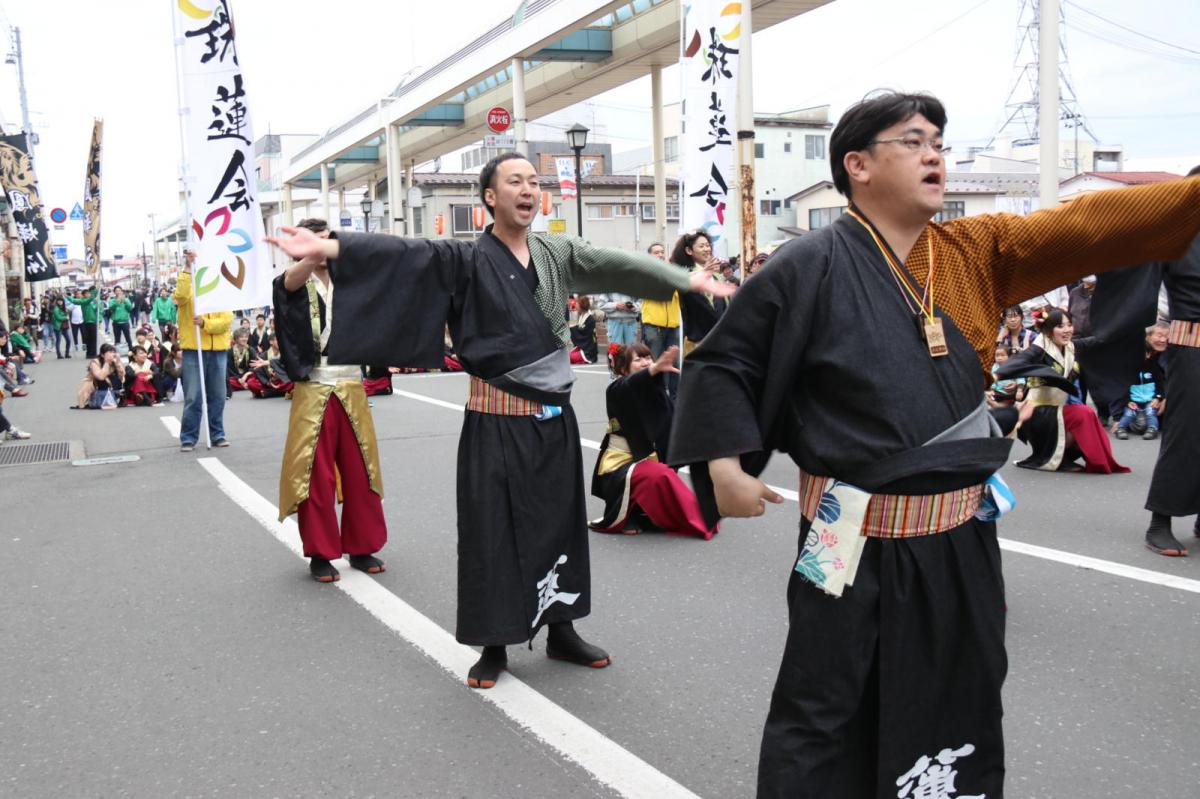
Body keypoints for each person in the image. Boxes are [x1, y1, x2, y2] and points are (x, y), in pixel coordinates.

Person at [666, 91, 1200, 798]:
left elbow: (1085, 226)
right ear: (857, 165)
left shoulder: (978, 251)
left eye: (940, 144)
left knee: (958, 697)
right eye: (913, 142)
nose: (935, 157)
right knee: (825, 709)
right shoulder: (807, 264)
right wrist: (723, 464)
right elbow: (726, 361)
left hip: (958, 536)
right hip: (848, 535)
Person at [268, 153, 730, 690]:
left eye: (534, 181)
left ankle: (562, 629)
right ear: (490, 197)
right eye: (515, 181)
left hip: (554, 419)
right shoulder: (465, 258)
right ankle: (494, 644)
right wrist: (328, 248)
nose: (528, 189)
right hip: (495, 420)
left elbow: (618, 264)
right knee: (493, 532)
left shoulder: (556, 252)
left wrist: (682, 278)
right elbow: (404, 254)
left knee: (559, 525)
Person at [272, 217, 388, 584]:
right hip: (314, 386)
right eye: (314, 240)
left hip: (351, 384)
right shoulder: (294, 279)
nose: (322, 247)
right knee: (315, 475)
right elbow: (287, 285)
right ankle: (321, 553)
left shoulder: (349, 280)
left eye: (327, 240)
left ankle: (362, 546)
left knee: (361, 470)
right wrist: (310, 254)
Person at [589, 343, 713, 539]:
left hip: (647, 457)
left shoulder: (655, 390)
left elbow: (671, 425)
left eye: (648, 358)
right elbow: (629, 384)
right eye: (638, 359)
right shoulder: (616, 389)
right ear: (623, 369)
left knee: (670, 465)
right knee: (658, 474)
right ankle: (627, 515)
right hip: (620, 465)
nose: (646, 362)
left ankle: (648, 512)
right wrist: (653, 369)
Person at [1143, 166, 1200, 556]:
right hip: (1190, 347)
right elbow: (1138, 286)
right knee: (1186, 433)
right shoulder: (1174, 234)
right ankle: (1159, 523)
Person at [998, 308, 1129, 473]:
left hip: (1057, 408)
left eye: (1069, 325)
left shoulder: (1071, 347)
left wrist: (1125, 325)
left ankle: (1066, 458)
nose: (1067, 330)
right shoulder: (1038, 349)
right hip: (1036, 411)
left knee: (1086, 415)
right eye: (1060, 326)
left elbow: (1098, 340)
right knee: (1083, 413)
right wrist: (997, 376)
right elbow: (1018, 361)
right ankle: (1058, 458)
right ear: (1048, 329)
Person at [175, 251, 233, 452]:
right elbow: (180, 297)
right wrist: (187, 267)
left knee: (218, 395)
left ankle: (217, 434)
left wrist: (205, 323)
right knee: (193, 396)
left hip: (218, 350)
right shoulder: (188, 288)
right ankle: (188, 437)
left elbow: (226, 321)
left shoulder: (220, 290)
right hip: (194, 349)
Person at [672, 230, 729, 355]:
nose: (707, 249)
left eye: (708, 245)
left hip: (720, 341)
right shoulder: (683, 275)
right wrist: (703, 272)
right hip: (696, 343)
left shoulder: (716, 277)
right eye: (701, 246)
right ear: (689, 251)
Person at [1114, 322, 1167, 441]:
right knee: (1131, 416)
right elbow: (1120, 388)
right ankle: (1121, 428)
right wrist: (1126, 402)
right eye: (1159, 335)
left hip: (1151, 400)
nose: (1163, 340)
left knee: (1151, 413)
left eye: (1166, 336)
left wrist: (1159, 398)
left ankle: (1152, 428)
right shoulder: (1128, 368)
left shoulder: (1155, 367)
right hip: (1134, 400)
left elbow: (1160, 385)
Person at [76, 343, 123, 410]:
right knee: (104, 380)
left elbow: (122, 377)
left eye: (113, 352)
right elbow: (100, 377)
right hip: (95, 386)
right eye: (110, 352)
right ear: (102, 355)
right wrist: (107, 363)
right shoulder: (95, 362)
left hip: (108, 386)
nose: (112, 354)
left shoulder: (114, 361)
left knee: (116, 379)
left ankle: (115, 397)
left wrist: (118, 364)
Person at [66, 286, 100, 359]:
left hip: (93, 322)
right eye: (87, 294)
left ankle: (93, 353)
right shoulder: (84, 301)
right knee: (88, 339)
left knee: (93, 339)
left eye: (89, 293)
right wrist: (96, 290)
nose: (88, 295)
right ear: (84, 295)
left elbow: (96, 310)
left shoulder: (91, 302)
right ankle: (89, 353)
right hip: (87, 322)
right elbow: (75, 301)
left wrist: (97, 304)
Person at [569, 295, 598, 364]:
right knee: (566, 357)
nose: (576, 306)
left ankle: (584, 358)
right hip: (584, 347)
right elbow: (581, 331)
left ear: (582, 306)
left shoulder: (590, 319)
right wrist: (573, 328)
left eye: (577, 305)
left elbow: (584, 336)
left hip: (588, 351)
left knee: (569, 357)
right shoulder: (582, 317)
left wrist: (572, 329)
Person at [227, 329, 255, 393]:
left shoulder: (251, 350)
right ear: (236, 339)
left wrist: (246, 375)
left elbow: (254, 365)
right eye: (242, 337)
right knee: (228, 381)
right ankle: (246, 386)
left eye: (246, 337)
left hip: (247, 376)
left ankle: (245, 385)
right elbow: (229, 368)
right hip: (235, 377)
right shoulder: (230, 351)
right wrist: (238, 378)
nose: (244, 339)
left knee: (253, 380)